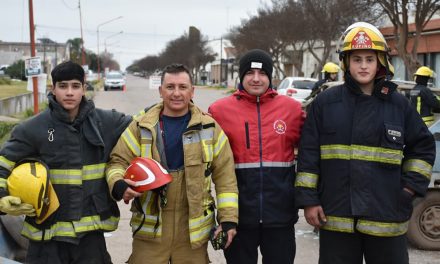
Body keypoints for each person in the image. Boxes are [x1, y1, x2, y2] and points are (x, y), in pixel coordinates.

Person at [295, 22, 435, 264]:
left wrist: (408, 190)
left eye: (369, 59)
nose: (363, 65)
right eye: (357, 58)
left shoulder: (398, 104)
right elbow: (309, 155)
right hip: (336, 217)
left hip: (387, 215)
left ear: (380, 61)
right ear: (346, 62)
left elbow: (422, 148)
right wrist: (309, 200)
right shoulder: (325, 104)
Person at [0, 60, 132, 263]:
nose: (69, 92)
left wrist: (188, 111)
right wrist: (1, 197)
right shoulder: (32, 128)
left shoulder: (106, 122)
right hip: (46, 241)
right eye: (63, 86)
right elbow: (3, 164)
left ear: (84, 89)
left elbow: (143, 123)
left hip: (90, 240)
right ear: (53, 89)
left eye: (75, 86)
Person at [106, 63, 239, 264]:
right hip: (150, 231)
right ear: (160, 91)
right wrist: (119, 184)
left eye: (182, 87)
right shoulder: (141, 126)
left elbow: (226, 178)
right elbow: (117, 161)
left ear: (192, 91)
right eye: (170, 87)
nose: (176, 93)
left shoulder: (210, 128)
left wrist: (228, 219)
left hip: (192, 234)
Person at [209, 49, 304, 264]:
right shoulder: (218, 111)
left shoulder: (293, 110)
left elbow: (310, 154)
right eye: (249, 73)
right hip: (239, 218)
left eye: (262, 73)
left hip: (281, 217)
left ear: (270, 77)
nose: (255, 79)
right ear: (241, 76)